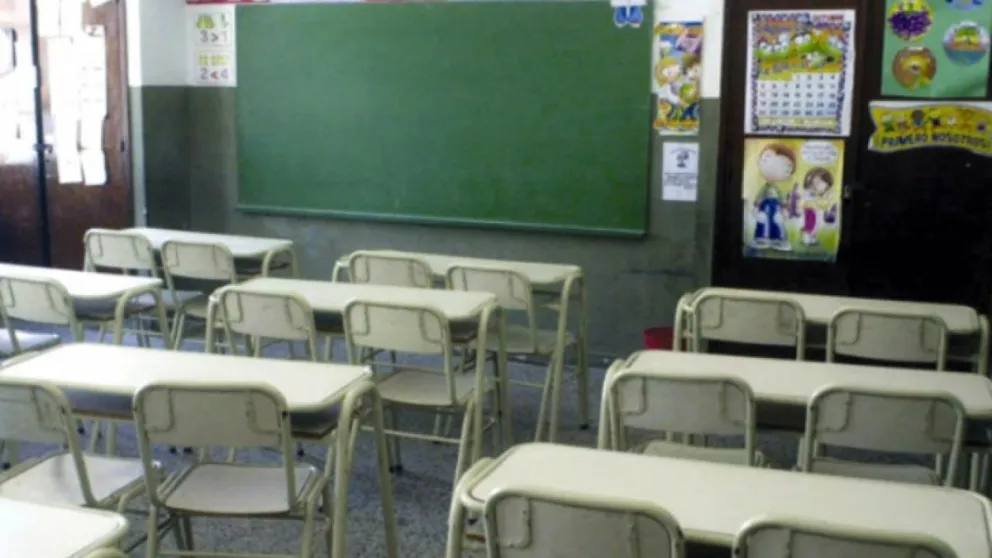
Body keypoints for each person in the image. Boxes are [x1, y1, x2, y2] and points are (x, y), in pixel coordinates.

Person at [750, 144, 796, 251]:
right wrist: (756, 209)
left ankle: (779, 239)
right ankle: (762, 237)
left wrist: (784, 210)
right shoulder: (764, 188)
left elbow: (782, 199)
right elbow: (759, 196)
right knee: (763, 221)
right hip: (765, 206)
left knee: (777, 222)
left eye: (787, 169)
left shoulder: (780, 189)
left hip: (776, 207)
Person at [800, 167, 835, 246]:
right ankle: (807, 238)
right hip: (810, 210)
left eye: (820, 182)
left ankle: (811, 238)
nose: (817, 184)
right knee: (810, 224)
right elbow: (811, 201)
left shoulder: (816, 193)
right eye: (817, 182)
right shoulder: (809, 192)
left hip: (814, 210)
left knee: (815, 224)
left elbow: (822, 202)